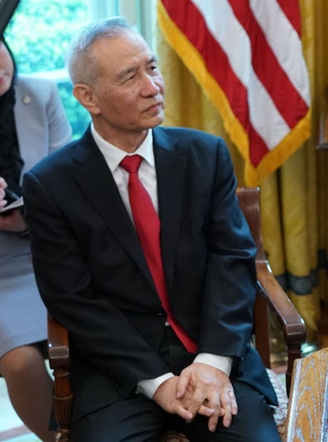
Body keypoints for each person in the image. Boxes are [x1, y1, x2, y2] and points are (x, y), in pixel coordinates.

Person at [22, 17, 279, 441]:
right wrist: (157, 382)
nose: (152, 86)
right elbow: (72, 298)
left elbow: (232, 263)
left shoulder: (205, 155)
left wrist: (213, 363)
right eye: (130, 77)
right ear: (88, 97)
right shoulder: (51, 186)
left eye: (152, 67)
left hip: (211, 354)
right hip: (118, 373)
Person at [0, 35, 71, 441]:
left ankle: (104, 426)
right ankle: (61, 439)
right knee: (21, 363)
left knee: (93, 340)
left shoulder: (40, 93)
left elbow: (64, 181)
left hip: (50, 248)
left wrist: (25, 218)